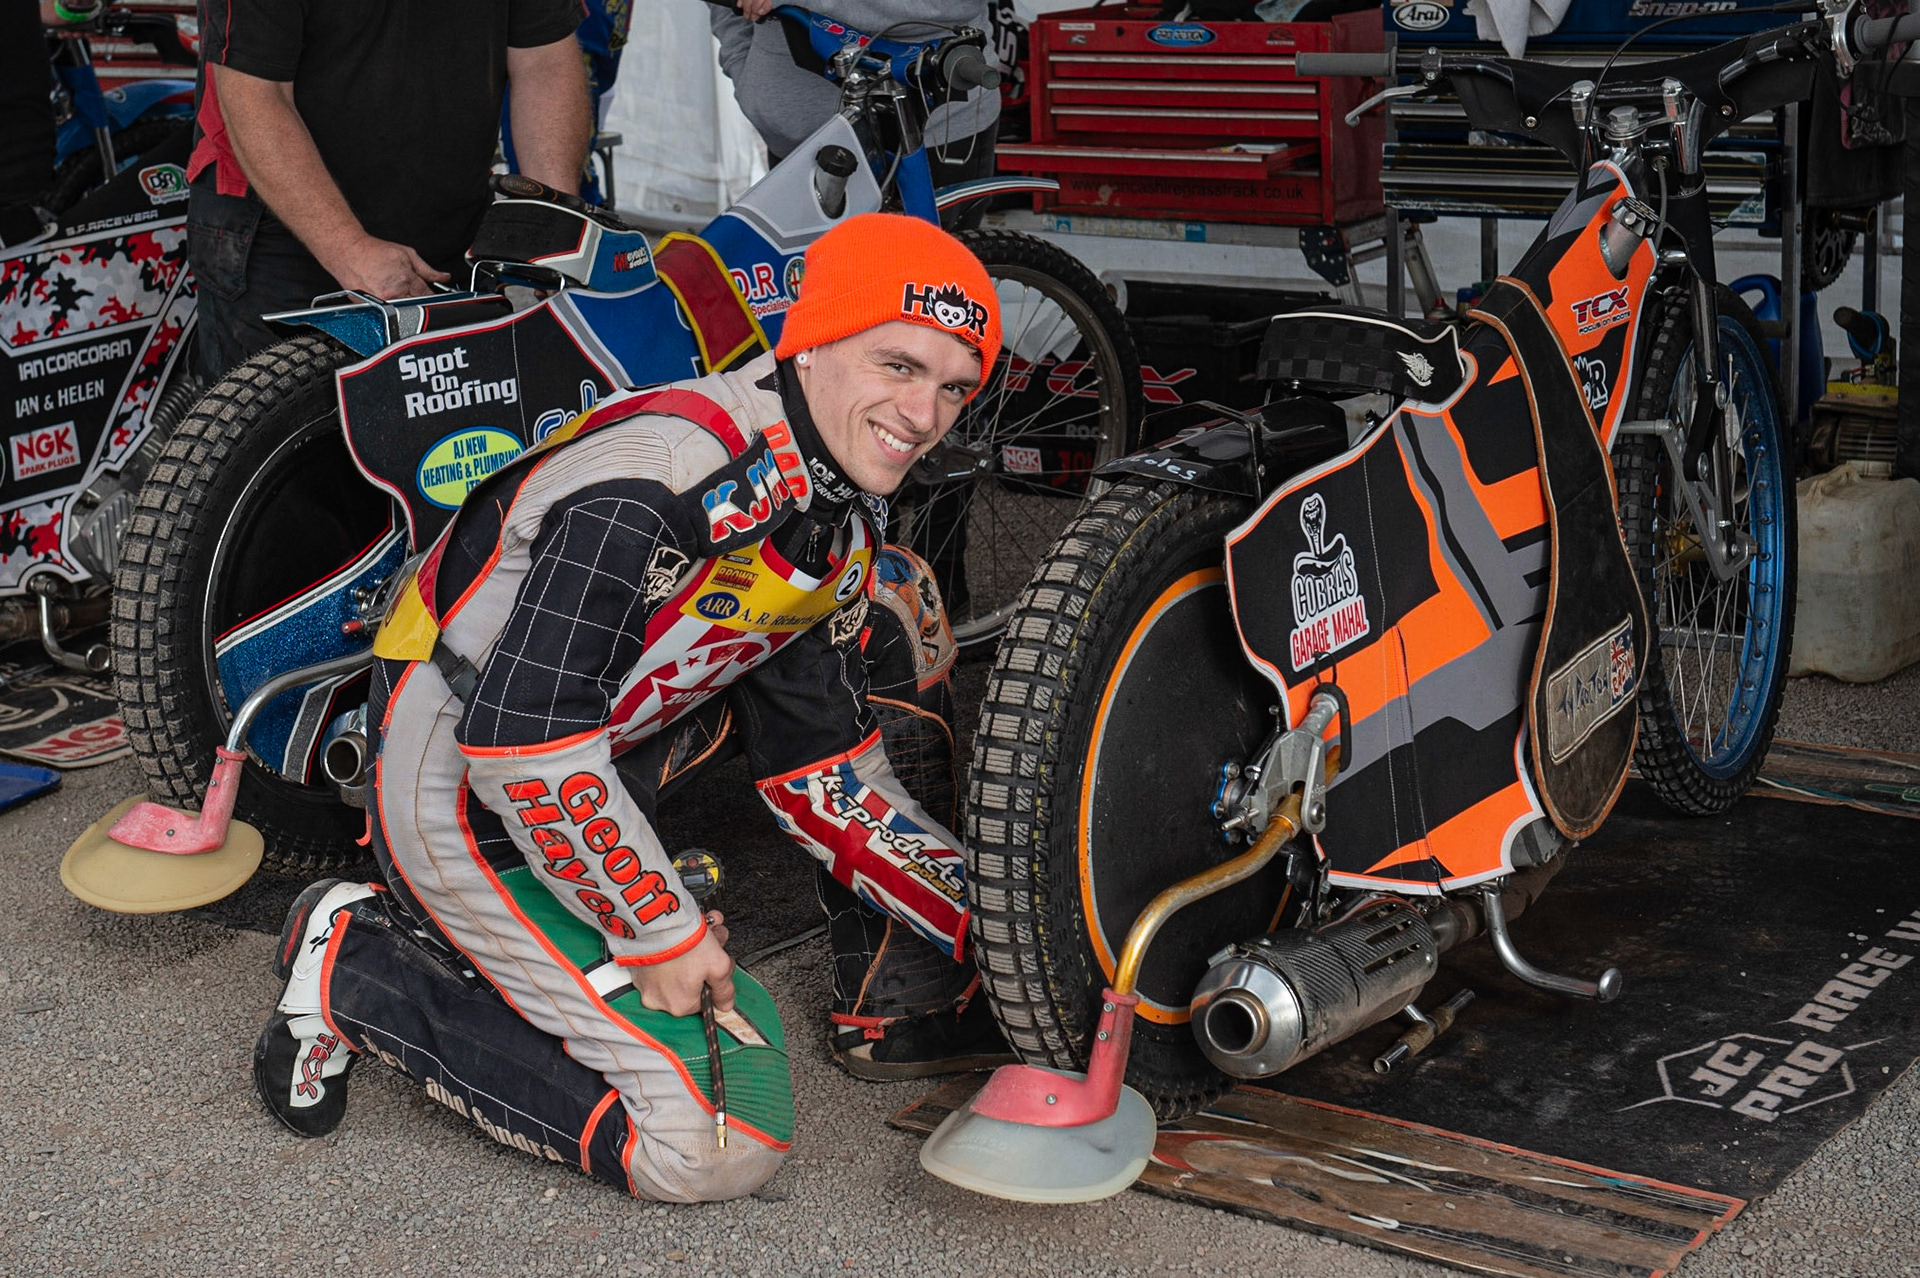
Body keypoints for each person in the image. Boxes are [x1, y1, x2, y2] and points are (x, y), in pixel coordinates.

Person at [251, 213, 1013, 1201]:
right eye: (898, 365)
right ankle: (357, 967)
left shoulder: (833, 523)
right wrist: (660, 928)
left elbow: (825, 775)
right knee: (708, 1152)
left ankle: (507, 949)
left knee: (895, 597)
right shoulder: (660, 474)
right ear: (814, 342)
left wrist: (1004, 927)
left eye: (955, 387)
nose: (925, 413)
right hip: (456, 792)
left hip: (588, 773)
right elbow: (519, 742)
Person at [186, 0, 593, 383]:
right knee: (277, 448)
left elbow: (543, 58)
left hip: (450, 226)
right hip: (279, 237)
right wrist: (349, 249)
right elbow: (256, 94)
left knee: (457, 444)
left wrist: (552, 218)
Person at [708, 0, 999, 189]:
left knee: (932, 280)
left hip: (934, 135)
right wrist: (740, 61)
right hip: (796, 143)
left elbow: (953, 5)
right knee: (820, 283)